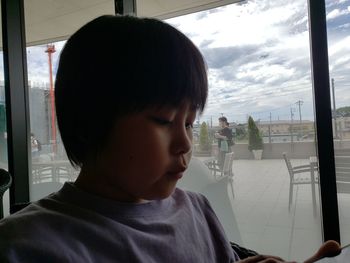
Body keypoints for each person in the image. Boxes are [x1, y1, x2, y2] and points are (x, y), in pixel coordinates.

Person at [0, 15, 340, 263]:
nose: (186, 143)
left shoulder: (198, 211)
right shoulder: (28, 246)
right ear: (91, 121)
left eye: (190, 123)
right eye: (164, 120)